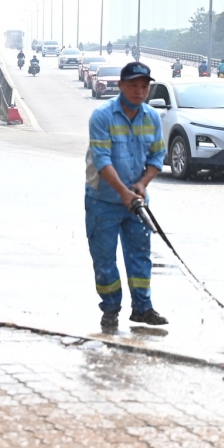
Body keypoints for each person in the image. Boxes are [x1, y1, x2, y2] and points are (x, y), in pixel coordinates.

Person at [85, 61, 168, 331]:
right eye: (133, 85)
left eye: (144, 86)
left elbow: (157, 156)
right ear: (120, 86)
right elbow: (101, 159)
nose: (139, 91)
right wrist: (123, 192)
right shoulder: (102, 116)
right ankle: (110, 309)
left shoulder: (152, 117)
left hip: (136, 202)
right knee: (104, 258)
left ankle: (142, 309)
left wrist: (142, 184)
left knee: (140, 255)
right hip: (103, 201)